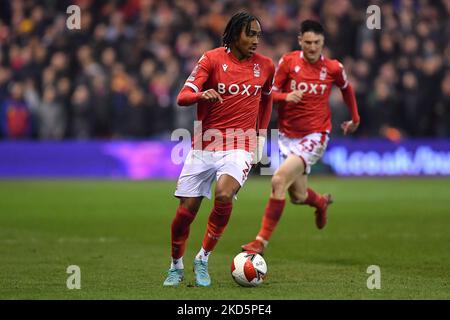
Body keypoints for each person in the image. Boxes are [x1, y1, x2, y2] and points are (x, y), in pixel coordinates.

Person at [163, 12, 275, 287]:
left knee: (224, 194)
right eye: (251, 34)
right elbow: (182, 97)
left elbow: (267, 99)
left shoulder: (266, 66)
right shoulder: (211, 59)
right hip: (205, 145)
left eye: (259, 35)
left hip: (241, 145)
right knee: (184, 216)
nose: (256, 40)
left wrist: (260, 136)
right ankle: (176, 264)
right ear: (236, 33)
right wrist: (202, 94)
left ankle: (203, 258)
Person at [241, 20, 360, 255]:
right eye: (308, 42)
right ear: (300, 41)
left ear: (323, 42)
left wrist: (355, 118)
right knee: (298, 196)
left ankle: (260, 243)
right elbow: (268, 94)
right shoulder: (288, 62)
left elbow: (347, 89)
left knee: (278, 180)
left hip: (315, 135)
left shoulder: (334, 68)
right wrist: (286, 97)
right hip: (287, 136)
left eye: (317, 42)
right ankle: (320, 202)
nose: (313, 47)